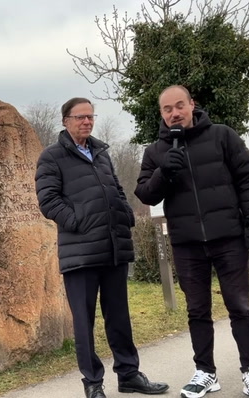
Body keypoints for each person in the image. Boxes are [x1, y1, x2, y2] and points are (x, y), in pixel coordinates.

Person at [135, 85, 249, 398]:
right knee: (197, 310)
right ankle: (205, 372)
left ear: (191, 105)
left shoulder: (222, 136)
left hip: (228, 237)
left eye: (179, 105)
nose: (174, 113)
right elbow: (145, 193)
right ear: (161, 113)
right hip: (187, 244)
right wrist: (163, 173)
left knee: (239, 306)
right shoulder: (155, 151)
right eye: (167, 109)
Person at [35, 97, 169, 398]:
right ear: (66, 121)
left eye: (90, 116)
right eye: (80, 117)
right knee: (84, 324)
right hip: (80, 254)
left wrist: (125, 214)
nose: (87, 122)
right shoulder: (52, 157)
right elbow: (48, 201)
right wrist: (79, 222)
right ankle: (93, 384)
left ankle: (129, 375)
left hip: (113, 249)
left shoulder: (101, 153)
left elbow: (117, 190)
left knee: (119, 318)